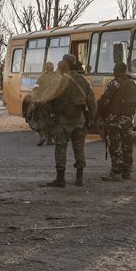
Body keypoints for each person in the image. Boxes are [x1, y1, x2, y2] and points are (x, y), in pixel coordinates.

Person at [45, 54, 97, 187]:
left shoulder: (60, 80)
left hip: (62, 122)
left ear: (65, 64)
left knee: (61, 148)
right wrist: (91, 118)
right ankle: (79, 178)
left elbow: (49, 100)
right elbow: (92, 101)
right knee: (79, 148)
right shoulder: (83, 80)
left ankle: (60, 179)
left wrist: (48, 116)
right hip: (79, 121)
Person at [98, 62, 136, 181]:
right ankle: (127, 171)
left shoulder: (115, 84)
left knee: (115, 145)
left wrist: (100, 113)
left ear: (116, 71)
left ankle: (115, 172)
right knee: (127, 145)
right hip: (129, 118)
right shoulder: (134, 83)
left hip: (115, 119)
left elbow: (104, 101)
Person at [32, 62, 58, 146]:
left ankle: (42, 136)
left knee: (39, 118)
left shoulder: (42, 77)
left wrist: (36, 98)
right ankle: (50, 139)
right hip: (55, 102)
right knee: (51, 120)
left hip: (44, 101)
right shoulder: (57, 76)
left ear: (46, 68)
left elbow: (36, 88)